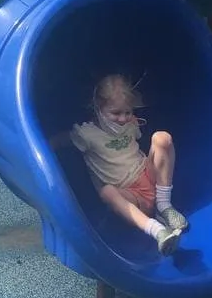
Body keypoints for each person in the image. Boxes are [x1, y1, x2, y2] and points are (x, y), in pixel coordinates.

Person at [67, 73, 189, 256]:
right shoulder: (86, 134)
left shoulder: (131, 124)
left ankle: (164, 205)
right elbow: (65, 140)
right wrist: (46, 143)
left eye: (128, 112)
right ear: (98, 108)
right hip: (130, 195)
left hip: (149, 177)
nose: (123, 119)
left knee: (161, 138)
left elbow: (138, 140)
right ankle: (157, 231)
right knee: (107, 191)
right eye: (115, 113)